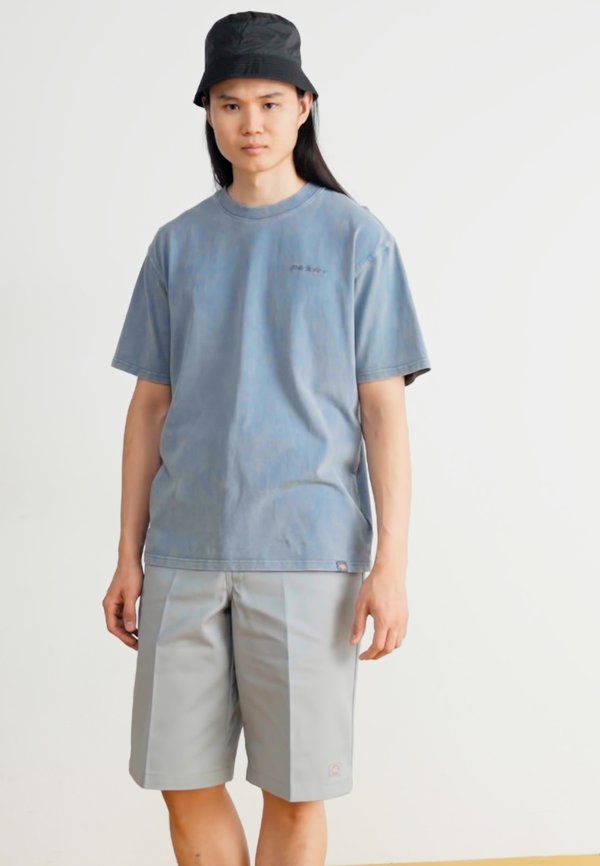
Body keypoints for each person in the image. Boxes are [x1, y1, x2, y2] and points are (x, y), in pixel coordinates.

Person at [102, 10, 432, 866]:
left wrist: (391, 565)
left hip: (309, 555)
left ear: (304, 107)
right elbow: (149, 408)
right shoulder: (177, 245)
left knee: (293, 789)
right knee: (181, 780)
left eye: (270, 102)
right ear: (209, 115)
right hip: (184, 552)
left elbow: (383, 413)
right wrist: (129, 554)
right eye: (230, 104)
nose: (250, 122)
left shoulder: (356, 238)